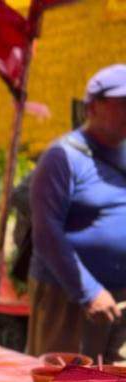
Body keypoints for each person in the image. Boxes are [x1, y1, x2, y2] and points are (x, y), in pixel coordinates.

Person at [27, 64, 126, 364]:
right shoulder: (62, 158)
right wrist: (89, 291)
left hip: (119, 296)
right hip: (68, 298)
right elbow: (46, 233)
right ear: (92, 107)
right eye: (123, 104)